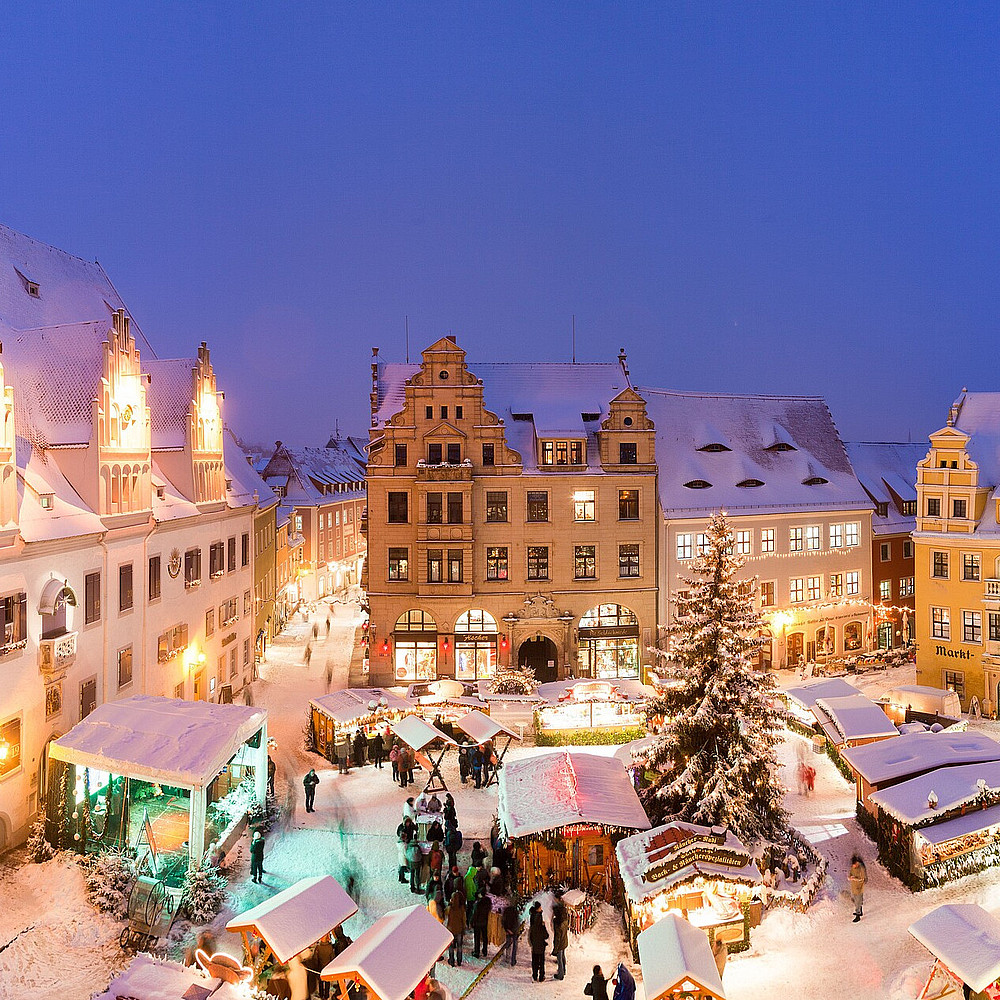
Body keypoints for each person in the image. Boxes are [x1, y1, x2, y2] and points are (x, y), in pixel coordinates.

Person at [528, 901, 548, 982]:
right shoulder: (540, 925)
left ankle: (535, 975)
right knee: (541, 961)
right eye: (540, 907)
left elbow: (531, 935)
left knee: (535, 961)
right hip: (541, 944)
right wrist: (544, 926)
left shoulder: (532, 921)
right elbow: (546, 935)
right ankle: (541, 976)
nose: (541, 909)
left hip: (534, 944)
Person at [446, 890, 466, 967]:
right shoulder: (461, 908)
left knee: (451, 947)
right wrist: (463, 928)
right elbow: (463, 919)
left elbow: (445, 915)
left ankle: (451, 961)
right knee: (459, 946)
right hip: (459, 929)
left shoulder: (449, 908)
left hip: (450, 930)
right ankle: (459, 961)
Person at [552, 892, 569, 980]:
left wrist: (555, 949)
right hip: (564, 940)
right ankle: (564, 970)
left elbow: (557, 937)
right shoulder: (564, 915)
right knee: (562, 956)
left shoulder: (558, 924)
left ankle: (560, 975)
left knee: (559, 958)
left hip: (560, 942)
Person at [472, 891, 491, 959]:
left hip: (477, 922)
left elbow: (475, 913)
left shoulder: (478, 903)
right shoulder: (488, 902)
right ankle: (484, 951)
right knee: (484, 936)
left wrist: (472, 921)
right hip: (485, 922)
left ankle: (477, 952)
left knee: (477, 937)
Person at [501, 899, 520, 967]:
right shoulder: (515, 912)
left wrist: (507, 929)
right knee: (514, 945)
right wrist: (514, 931)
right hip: (514, 931)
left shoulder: (506, 912)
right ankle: (513, 960)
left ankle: (507, 957)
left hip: (508, 930)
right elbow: (517, 922)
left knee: (508, 944)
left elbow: (503, 921)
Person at [849, 855, 867, 922]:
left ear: (857, 863)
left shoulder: (861, 868)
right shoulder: (852, 867)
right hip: (854, 886)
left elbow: (863, 878)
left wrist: (855, 878)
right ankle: (860, 911)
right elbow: (850, 873)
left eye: (854, 865)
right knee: (856, 899)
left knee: (858, 901)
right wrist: (850, 877)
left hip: (859, 887)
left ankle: (858, 915)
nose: (853, 866)